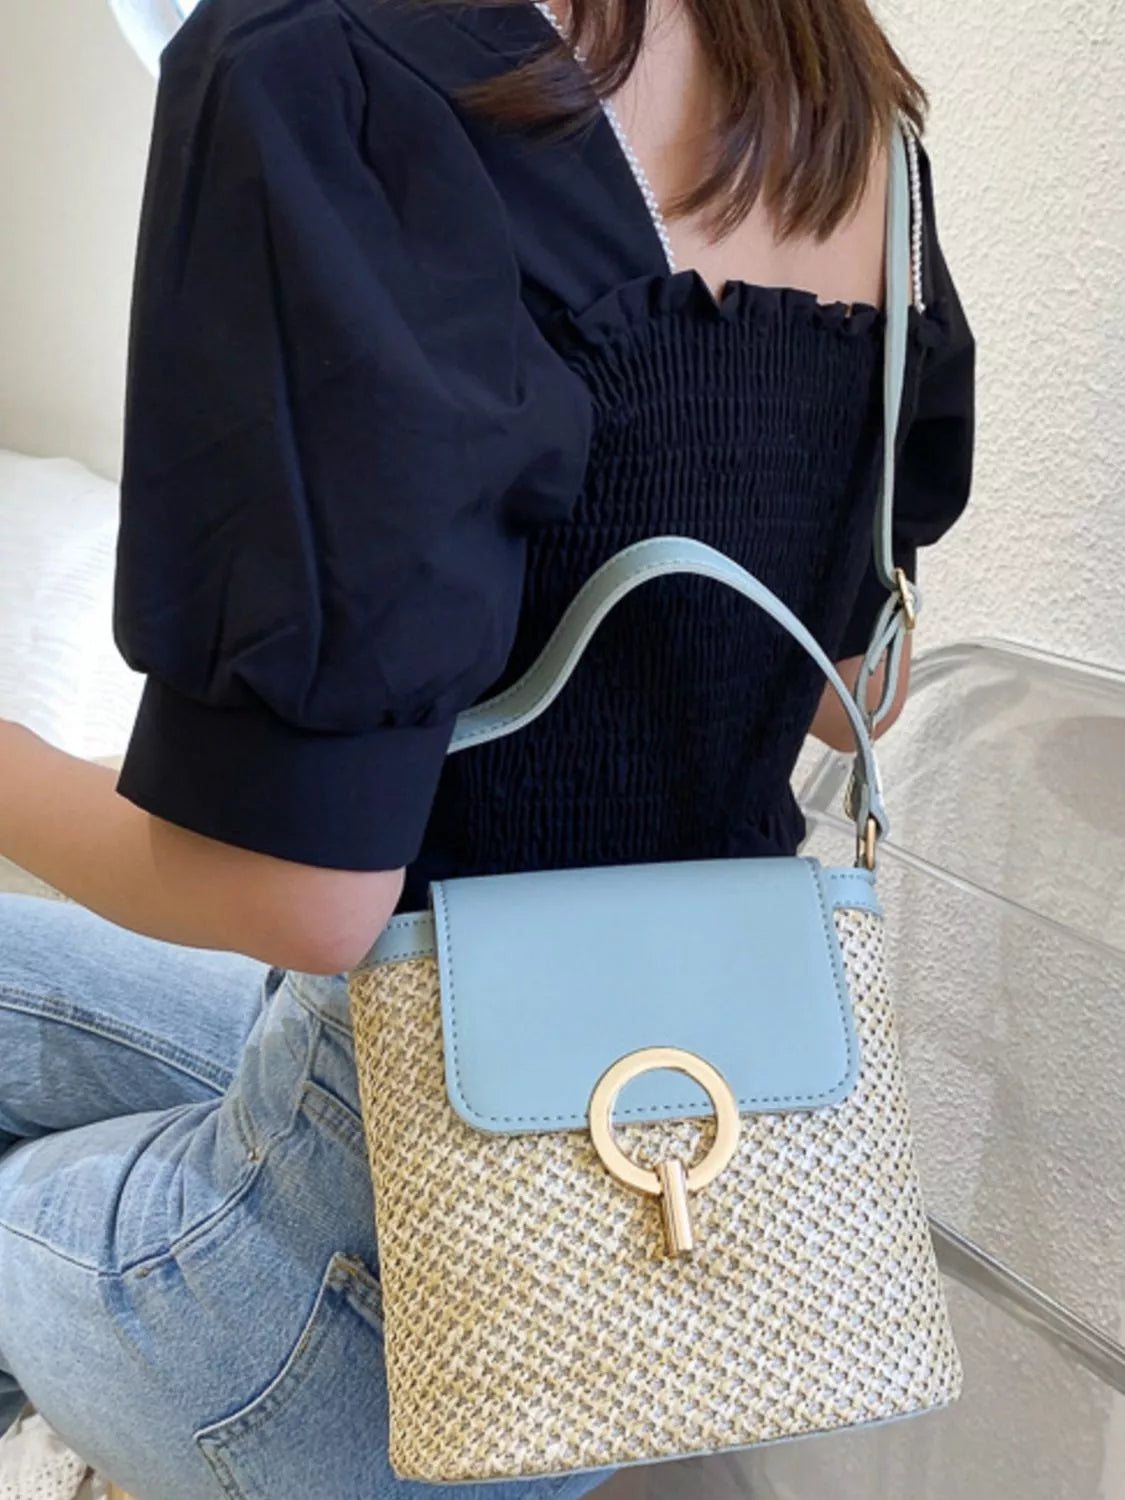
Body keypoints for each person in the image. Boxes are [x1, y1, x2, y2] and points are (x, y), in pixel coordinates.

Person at [0, 0, 974, 1495]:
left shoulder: (313, 55)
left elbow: (304, 897)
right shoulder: (843, 101)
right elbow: (849, 694)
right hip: (678, 1234)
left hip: (355, 1346)